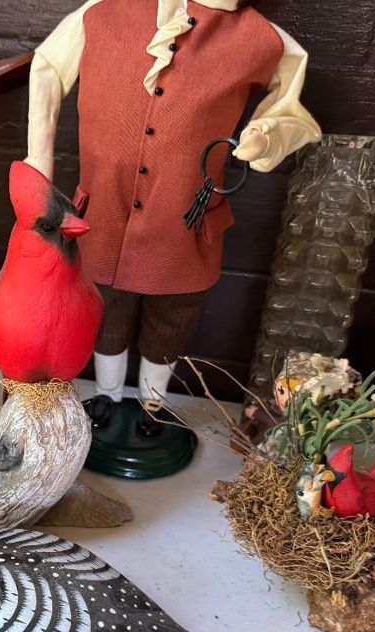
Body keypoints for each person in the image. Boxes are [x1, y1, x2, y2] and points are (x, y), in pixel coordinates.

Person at [25, 0, 321, 475]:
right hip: (103, 215)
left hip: (185, 224)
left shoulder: (263, 39)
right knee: (106, 314)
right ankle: (107, 396)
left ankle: (152, 405)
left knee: (170, 323)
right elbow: (47, 66)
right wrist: (39, 159)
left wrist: (265, 135)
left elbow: (291, 106)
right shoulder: (102, 12)